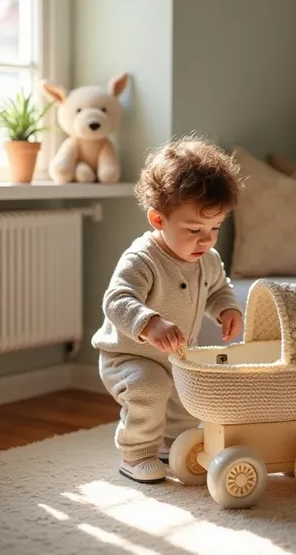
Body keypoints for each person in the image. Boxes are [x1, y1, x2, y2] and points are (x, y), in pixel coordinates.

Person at [92, 134, 245, 483]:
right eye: (194, 229)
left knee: (185, 398)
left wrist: (226, 310)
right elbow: (116, 300)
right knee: (150, 388)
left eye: (215, 228)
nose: (206, 240)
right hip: (129, 356)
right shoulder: (142, 259)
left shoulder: (207, 259)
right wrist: (149, 323)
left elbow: (219, 288)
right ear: (158, 219)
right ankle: (137, 454)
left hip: (176, 354)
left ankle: (173, 445)